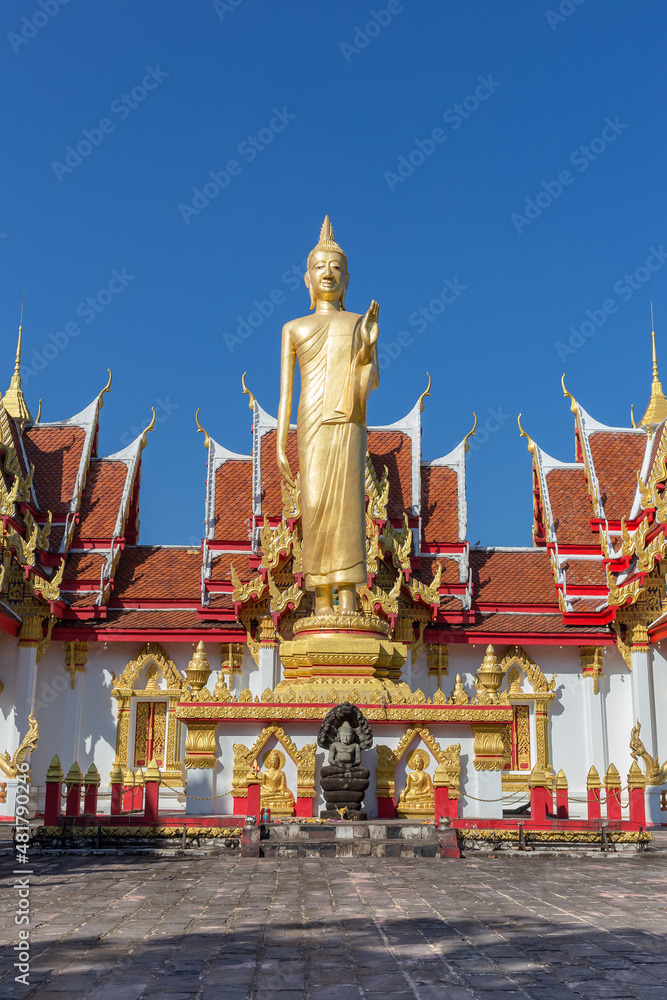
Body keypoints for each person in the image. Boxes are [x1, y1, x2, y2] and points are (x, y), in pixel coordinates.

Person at [277, 217, 379, 618]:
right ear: (307, 278)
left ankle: (349, 598)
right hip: (311, 422)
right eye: (320, 266)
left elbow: (370, 382)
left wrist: (367, 347)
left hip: (348, 421)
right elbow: (286, 393)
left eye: (336, 267)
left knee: (348, 506)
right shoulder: (294, 327)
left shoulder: (358, 324)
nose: (328, 273)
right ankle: (321, 600)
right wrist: (281, 443)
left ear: (347, 279)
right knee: (316, 503)